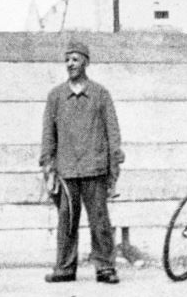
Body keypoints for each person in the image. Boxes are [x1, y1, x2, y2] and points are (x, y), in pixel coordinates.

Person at [40, 40, 124, 284]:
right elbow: (48, 134)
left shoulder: (100, 94)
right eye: (67, 60)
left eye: (75, 59)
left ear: (86, 62)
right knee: (66, 221)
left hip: (94, 168)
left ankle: (105, 267)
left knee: (100, 221)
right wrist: (48, 165)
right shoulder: (56, 96)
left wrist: (113, 167)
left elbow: (113, 132)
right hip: (66, 170)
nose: (70, 64)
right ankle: (65, 268)